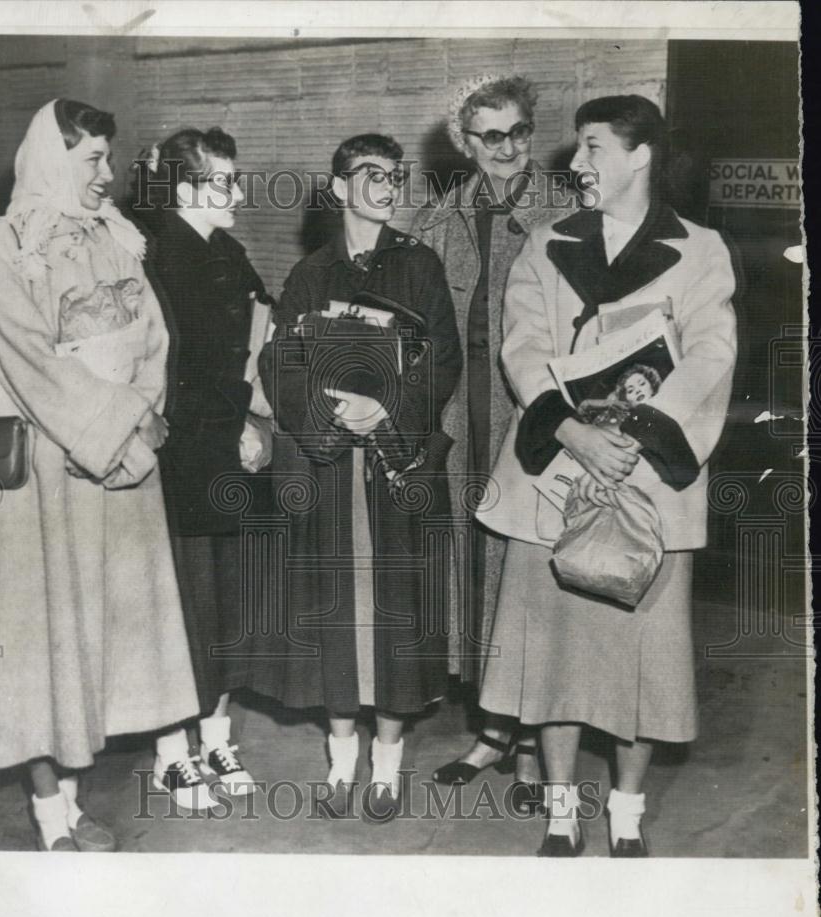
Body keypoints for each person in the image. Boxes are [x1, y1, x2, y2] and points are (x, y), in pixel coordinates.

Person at [476, 95, 737, 856]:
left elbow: (712, 355)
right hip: (558, 468)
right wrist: (571, 430)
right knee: (551, 654)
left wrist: (635, 436)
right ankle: (561, 810)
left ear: (640, 154)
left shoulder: (701, 249)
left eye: (592, 147)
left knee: (644, 659)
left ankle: (625, 812)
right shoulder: (544, 242)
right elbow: (522, 347)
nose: (577, 164)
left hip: (651, 476)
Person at [0, 99, 200, 850]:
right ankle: (50, 813)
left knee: (105, 634)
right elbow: (33, 360)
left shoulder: (115, 238)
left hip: (121, 462)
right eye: (92, 159)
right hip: (44, 472)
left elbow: (152, 339)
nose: (108, 174)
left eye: (108, 156)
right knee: (38, 636)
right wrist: (119, 423)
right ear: (50, 158)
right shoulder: (0, 243)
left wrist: (140, 419)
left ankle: (85, 789)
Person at [255, 133, 462, 820]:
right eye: (370, 174)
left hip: (392, 462)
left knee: (395, 614)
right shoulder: (309, 274)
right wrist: (326, 419)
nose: (387, 185)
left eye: (395, 175)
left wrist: (388, 410)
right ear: (339, 187)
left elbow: (444, 358)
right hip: (330, 469)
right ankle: (341, 758)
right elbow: (278, 362)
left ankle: (389, 761)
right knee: (336, 611)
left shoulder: (421, 266)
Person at [412, 74, 569, 797]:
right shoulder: (437, 220)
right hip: (461, 423)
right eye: (490, 135)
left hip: (535, 423)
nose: (507, 148)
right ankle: (493, 731)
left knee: (529, 576)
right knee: (474, 574)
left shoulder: (568, 213)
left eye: (518, 132)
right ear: (464, 144)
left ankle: (535, 742)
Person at [135, 127, 273, 810]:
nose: (239, 193)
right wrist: (237, 424)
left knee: (224, 604)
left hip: (229, 449)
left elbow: (258, 336)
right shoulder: (152, 253)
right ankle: (171, 754)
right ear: (186, 188)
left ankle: (216, 737)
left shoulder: (228, 251)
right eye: (224, 181)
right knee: (178, 607)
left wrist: (255, 420)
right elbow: (170, 371)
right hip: (181, 456)